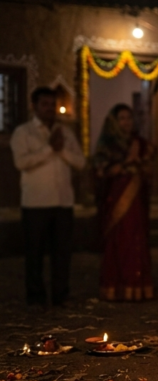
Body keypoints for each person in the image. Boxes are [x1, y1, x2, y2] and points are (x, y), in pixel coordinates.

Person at [11, 87, 86, 307]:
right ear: (34, 106)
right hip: (36, 203)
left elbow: (80, 162)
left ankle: (61, 294)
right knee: (34, 253)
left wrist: (61, 150)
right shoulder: (23, 132)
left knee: (62, 252)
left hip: (63, 202)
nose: (50, 109)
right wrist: (49, 149)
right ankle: (35, 297)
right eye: (44, 104)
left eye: (52, 105)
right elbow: (21, 163)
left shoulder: (65, 133)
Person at [93, 104, 154, 301]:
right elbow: (101, 170)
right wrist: (127, 162)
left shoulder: (140, 143)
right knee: (119, 238)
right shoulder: (108, 144)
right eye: (122, 118)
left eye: (129, 117)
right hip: (115, 198)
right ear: (114, 122)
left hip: (137, 198)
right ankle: (116, 285)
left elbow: (149, 168)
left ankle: (137, 286)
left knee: (136, 237)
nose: (127, 122)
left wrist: (140, 164)